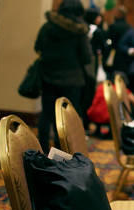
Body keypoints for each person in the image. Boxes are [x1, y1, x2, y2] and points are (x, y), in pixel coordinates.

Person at [34, 0, 92, 153]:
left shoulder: (47, 26)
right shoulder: (79, 31)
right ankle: (61, 151)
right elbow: (87, 58)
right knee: (66, 118)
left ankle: (42, 149)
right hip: (72, 80)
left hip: (48, 76)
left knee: (46, 114)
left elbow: (37, 47)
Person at [106, 6, 130, 77]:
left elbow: (109, 40)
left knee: (111, 75)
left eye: (116, 13)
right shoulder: (129, 27)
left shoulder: (114, 26)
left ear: (120, 14)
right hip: (125, 57)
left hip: (113, 53)